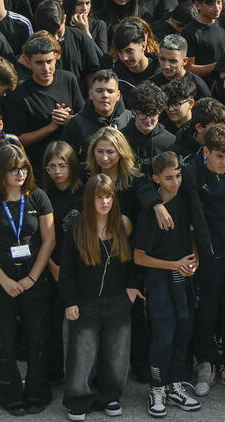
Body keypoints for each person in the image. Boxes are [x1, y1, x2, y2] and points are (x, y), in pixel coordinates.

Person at [0, 144, 55, 415]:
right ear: (0, 171)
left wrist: (32, 277)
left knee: (37, 338)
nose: (20, 173)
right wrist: (5, 281)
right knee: (3, 339)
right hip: (0, 280)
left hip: (33, 278)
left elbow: (49, 240)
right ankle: (9, 394)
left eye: (23, 168)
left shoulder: (38, 196)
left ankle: (37, 391)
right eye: (13, 169)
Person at [59, 174, 141, 421]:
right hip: (85, 301)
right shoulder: (78, 227)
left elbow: (135, 259)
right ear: (89, 199)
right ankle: (79, 399)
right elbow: (67, 269)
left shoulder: (122, 225)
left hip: (117, 300)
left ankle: (110, 396)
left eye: (109, 196)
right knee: (82, 352)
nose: (105, 202)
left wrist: (131, 288)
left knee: (116, 353)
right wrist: (70, 301)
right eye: (99, 197)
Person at [134, 150, 210, 417]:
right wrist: (173, 265)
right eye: (169, 178)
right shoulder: (149, 213)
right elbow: (139, 257)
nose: (176, 182)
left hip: (184, 278)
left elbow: (192, 232)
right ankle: (156, 388)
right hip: (159, 280)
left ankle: (175, 385)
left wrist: (194, 257)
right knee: (163, 337)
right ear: (156, 178)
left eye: (178, 175)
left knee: (183, 332)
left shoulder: (184, 199)